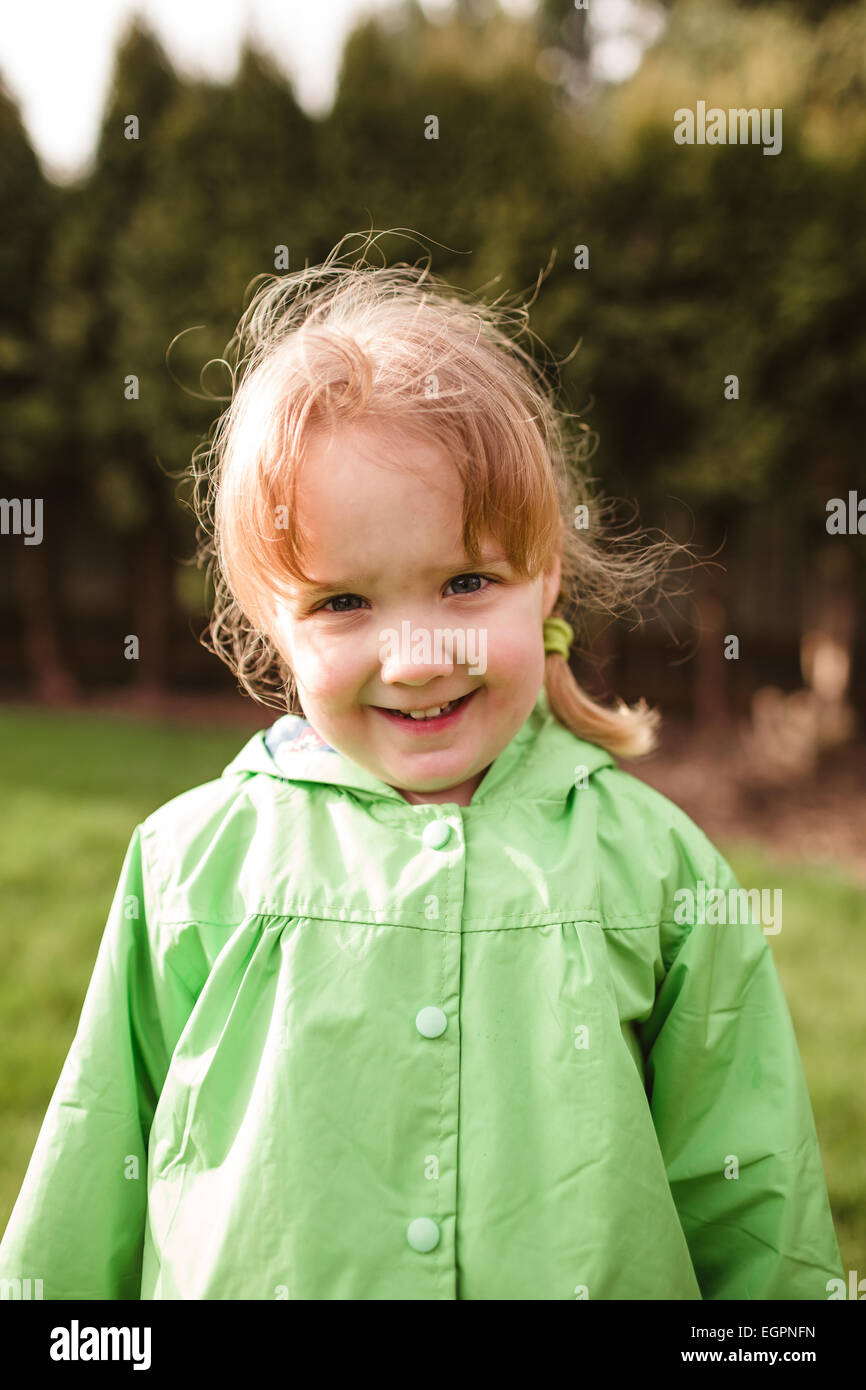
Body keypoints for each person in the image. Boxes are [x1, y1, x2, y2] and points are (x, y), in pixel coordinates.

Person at [0, 232, 845, 1300]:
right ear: (273, 626)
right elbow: (85, 1208)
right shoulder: (187, 866)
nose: (417, 656)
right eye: (345, 602)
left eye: (464, 584)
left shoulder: (659, 873)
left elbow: (752, 1214)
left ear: (544, 578)